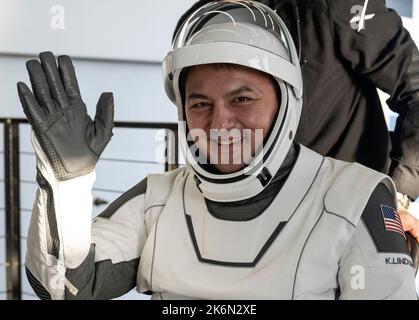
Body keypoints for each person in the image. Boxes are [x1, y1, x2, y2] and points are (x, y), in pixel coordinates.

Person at [17, 0, 417, 299]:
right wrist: (66, 179)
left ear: (289, 101)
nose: (219, 123)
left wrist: (394, 194)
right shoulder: (161, 198)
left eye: (243, 99)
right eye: (199, 104)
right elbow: (63, 283)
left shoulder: (356, 200)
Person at [174, 0, 419, 249]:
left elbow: (416, 85)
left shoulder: (338, 6)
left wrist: (396, 200)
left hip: (346, 218)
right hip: (248, 221)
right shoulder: (213, 16)